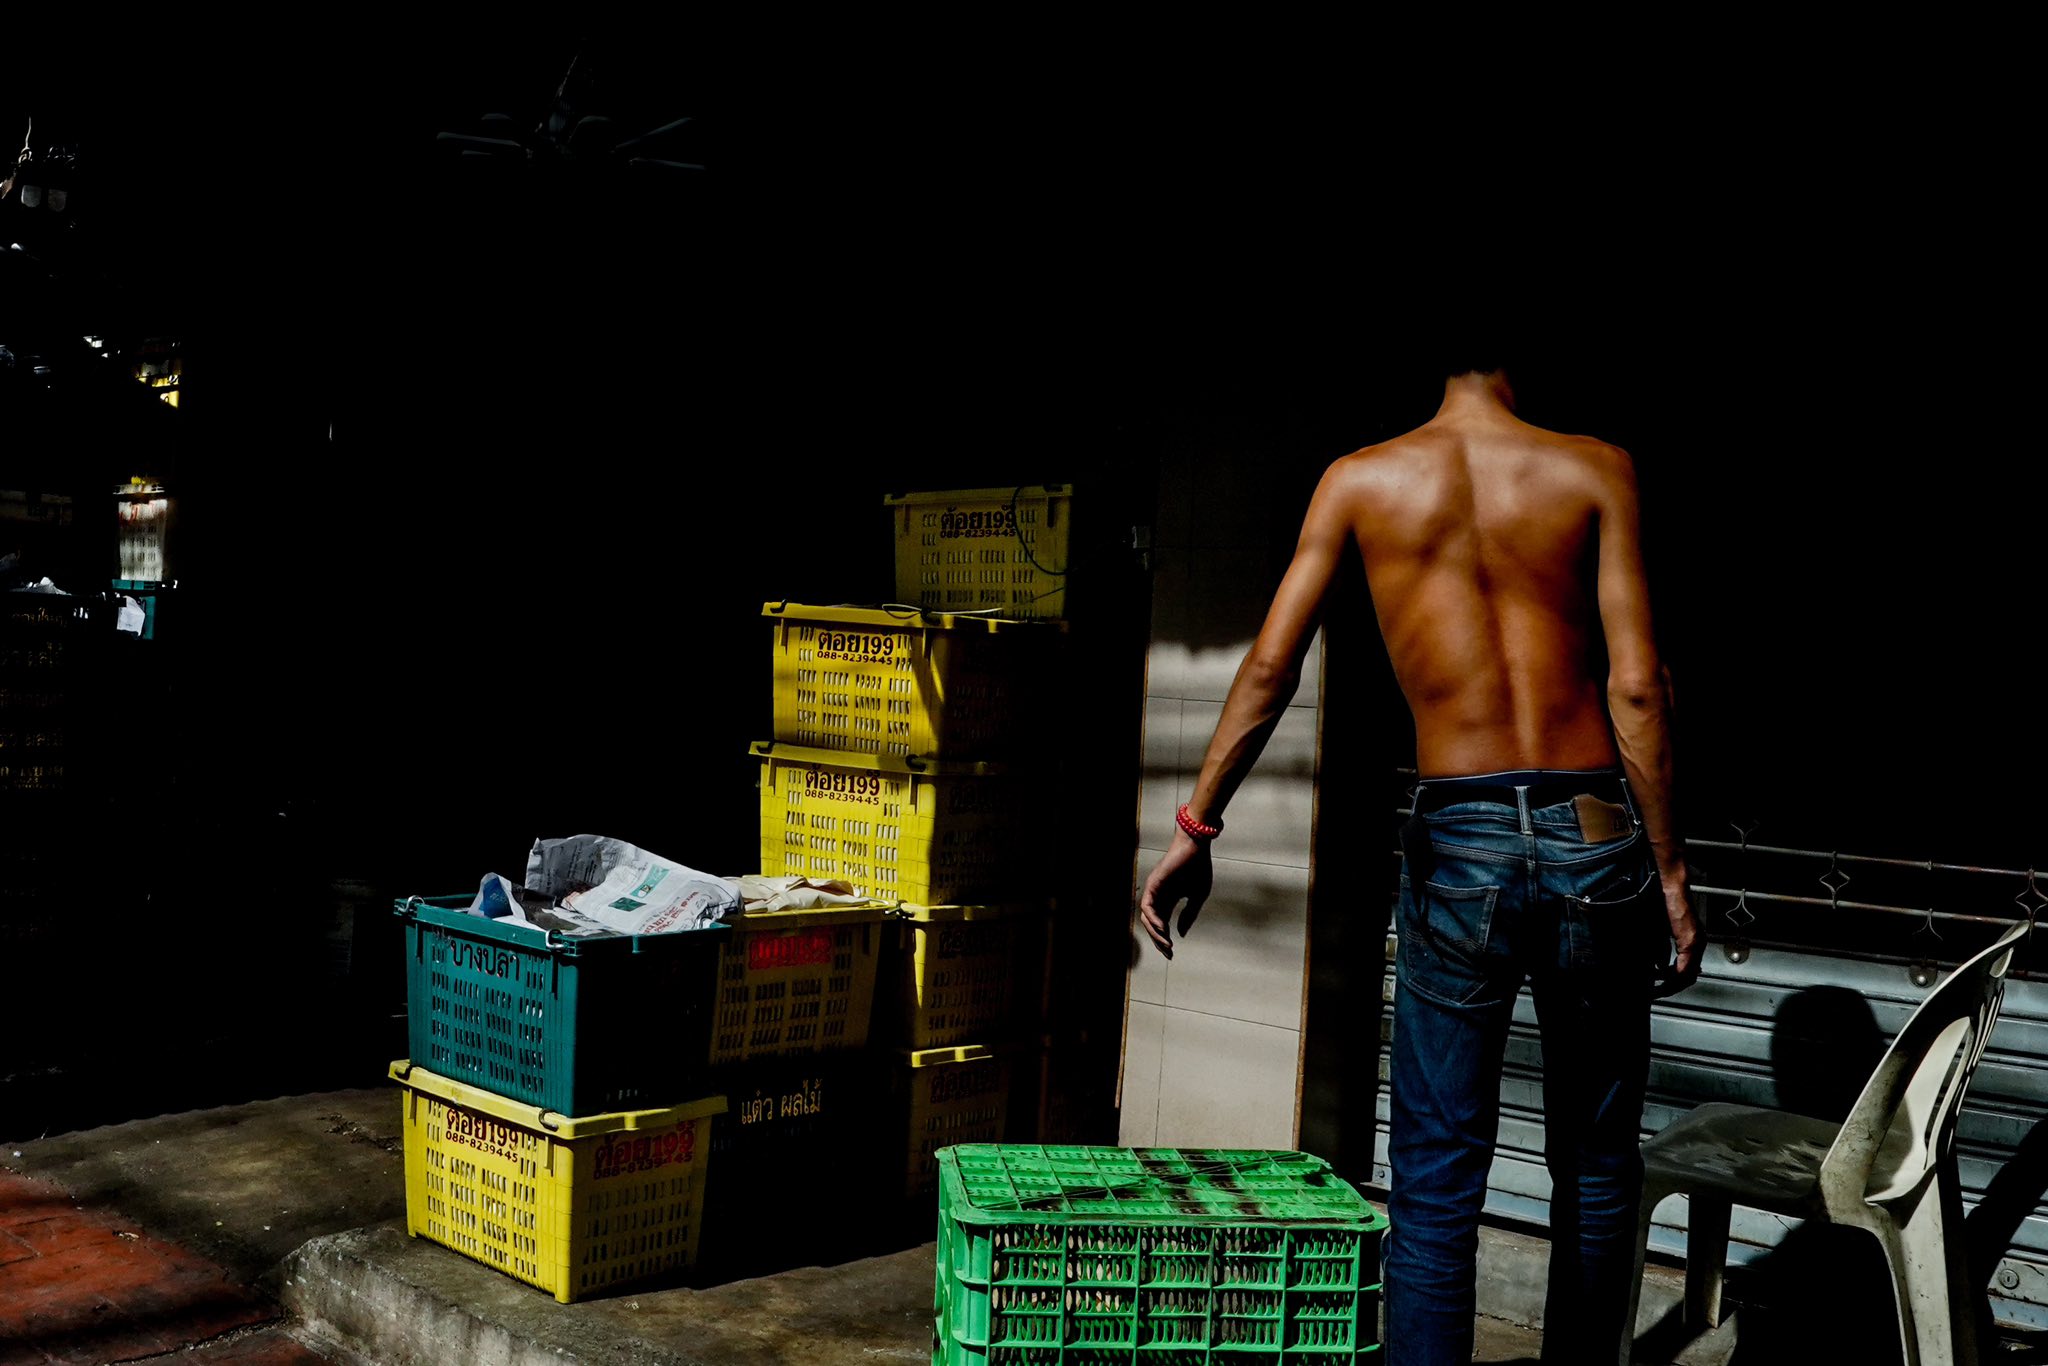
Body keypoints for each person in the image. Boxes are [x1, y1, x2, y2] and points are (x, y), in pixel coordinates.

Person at [1137, 352, 1703, 1366]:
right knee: (1595, 1162)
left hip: (1459, 834)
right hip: (1591, 828)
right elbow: (1636, 688)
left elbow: (1269, 667)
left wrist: (1197, 824)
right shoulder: (1595, 468)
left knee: (1437, 1177)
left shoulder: (1360, 480)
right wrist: (1667, 871)